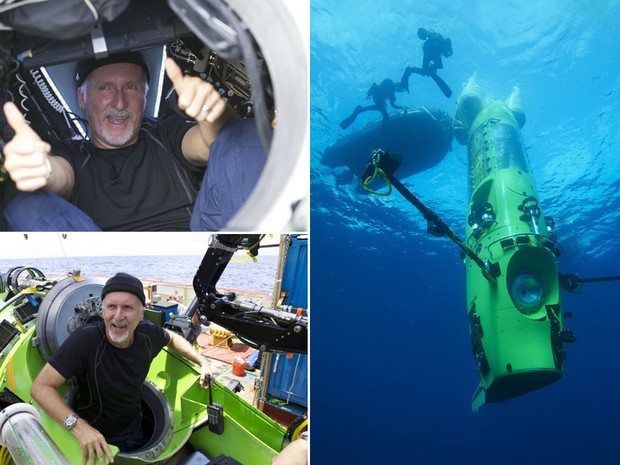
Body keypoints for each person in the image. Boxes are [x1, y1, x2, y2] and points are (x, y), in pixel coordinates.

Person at [1, 51, 267, 231]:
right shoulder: (72, 154)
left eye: (131, 87)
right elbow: (61, 176)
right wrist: (43, 170)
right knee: (24, 203)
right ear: (82, 99)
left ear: (145, 97)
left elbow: (209, 144)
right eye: (104, 88)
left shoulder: (164, 134)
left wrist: (214, 115)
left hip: (199, 234)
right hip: (98, 246)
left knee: (244, 132)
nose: (119, 102)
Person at [30, 272, 213, 465]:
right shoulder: (86, 340)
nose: (118, 316)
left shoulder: (147, 334)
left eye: (127, 307)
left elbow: (172, 338)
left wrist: (202, 362)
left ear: (141, 314)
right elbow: (40, 388)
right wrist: (77, 426)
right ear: (103, 311)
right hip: (95, 437)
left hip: (134, 429)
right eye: (111, 307)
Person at [400, 27, 453, 98]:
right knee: (425, 71)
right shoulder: (434, 40)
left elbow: (447, 51)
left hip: (433, 51)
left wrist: (432, 67)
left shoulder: (439, 39)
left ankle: (411, 70)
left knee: (428, 70)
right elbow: (445, 52)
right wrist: (432, 67)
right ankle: (409, 69)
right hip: (429, 51)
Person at [339, 78, 406, 130]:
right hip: (377, 98)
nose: (400, 90)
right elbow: (393, 105)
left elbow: (393, 105)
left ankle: (361, 109)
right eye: (401, 89)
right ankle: (384, 132)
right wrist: (403, 107)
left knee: (381, 109)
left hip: (377, 98)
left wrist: (403, 107)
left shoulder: (392, 92)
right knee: (385, 116)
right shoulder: (390, 85)